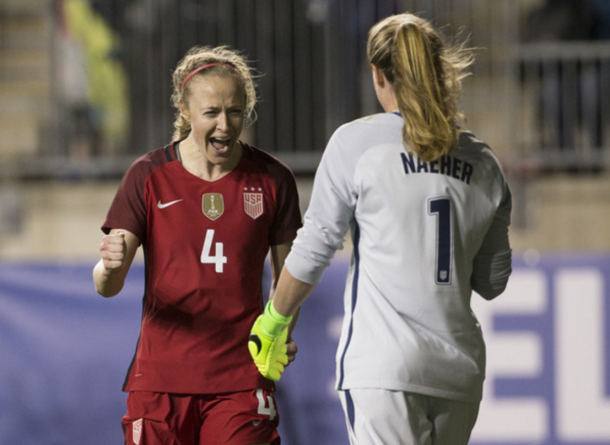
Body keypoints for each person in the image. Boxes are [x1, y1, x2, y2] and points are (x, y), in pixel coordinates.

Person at [248, 12, 512, 445]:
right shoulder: (484, 162)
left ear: (377, 74)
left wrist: (274, 320)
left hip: (384, 369)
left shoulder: (358, 143)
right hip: (458, 372)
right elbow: (492, 281)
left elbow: (315, 248)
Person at [93, 45, 302, 445]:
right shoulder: (148, 175)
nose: (224, 125)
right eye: (211, 113)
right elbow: (107, 285)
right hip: (160, 380)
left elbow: (288, 278)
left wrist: (280, 332)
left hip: (241, 379)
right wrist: (110, 265)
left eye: (235, 111)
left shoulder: (274, 179)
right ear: (185, 110)